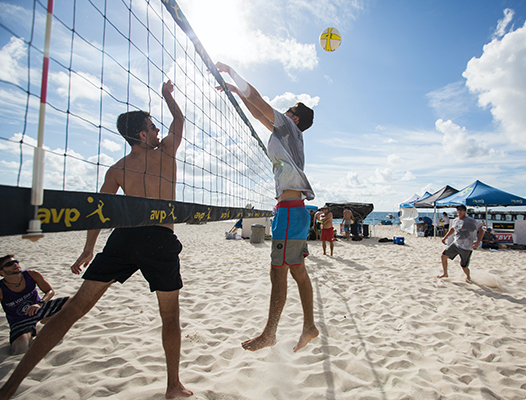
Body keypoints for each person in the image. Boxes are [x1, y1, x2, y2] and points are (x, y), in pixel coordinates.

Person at [0, 81, 192, 400]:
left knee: (73, 309)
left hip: (125, 238)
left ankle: (9, 387)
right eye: (153, 127)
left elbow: (99, 212)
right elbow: (180, 121)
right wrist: (168, 96)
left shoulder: (117, 169)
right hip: (159, 239)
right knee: (170, 316)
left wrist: (89, 249)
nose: (159, 131)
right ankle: (174, 386)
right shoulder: (166, 153)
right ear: (143, 135)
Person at [216, 61, 319, 353]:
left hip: (290, 213)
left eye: (288, 110)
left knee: (279, 273)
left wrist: (232, 74)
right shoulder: (287, 132)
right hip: (291, 211)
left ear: (294, 118)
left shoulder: (287, 127)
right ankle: (309, 326)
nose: (283, 112)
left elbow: (259, 101)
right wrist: (238, 94)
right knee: (297, 271)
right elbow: (258, 110)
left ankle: (270, 333)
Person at [0, 256, 69, 355]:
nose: (15, 264)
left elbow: (50, 291)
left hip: (39, 310)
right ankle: (32, 331)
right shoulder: (1, 288)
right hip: (20, 320)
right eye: (9, 264)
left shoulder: (31, 275)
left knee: (71, 301)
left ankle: (47, 320)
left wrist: (40, 303)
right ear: (1, 272)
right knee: (20, 347)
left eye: (16, 262)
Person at [437, 205, 484, 282]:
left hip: (466, 247)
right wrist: (445, 238)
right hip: (456, 244)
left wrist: (478, 242)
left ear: (465, 211)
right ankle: (445, 273)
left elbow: (481, 230)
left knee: (464, 266)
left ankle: (468, 276)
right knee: (443, 256)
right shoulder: (456, 220)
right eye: (458, 210)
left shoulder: (470, 221)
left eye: (461, 210)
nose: (459, 211)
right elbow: (452, 229)